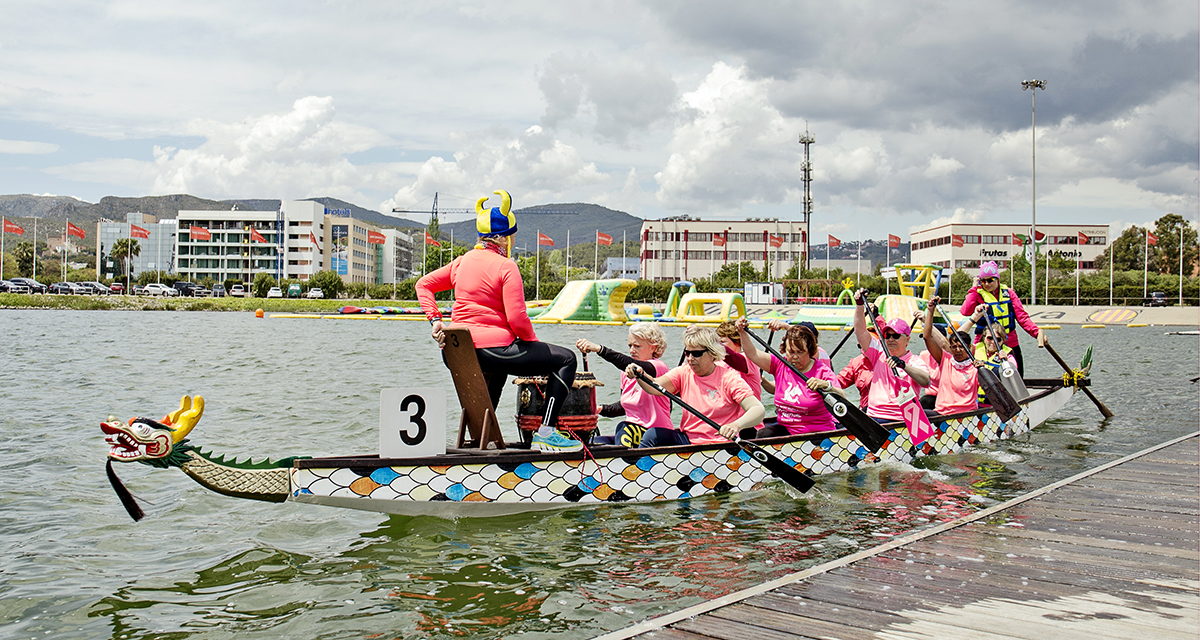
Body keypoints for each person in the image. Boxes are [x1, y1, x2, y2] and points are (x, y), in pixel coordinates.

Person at [417, 190, 581, 453]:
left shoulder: (461, 263)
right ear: (505, 237)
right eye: (513, 235)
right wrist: (533, 344)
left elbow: (423, 284)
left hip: (457, 351)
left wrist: (435, 320)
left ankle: (483, 439)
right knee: (565, 359)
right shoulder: (506, 266)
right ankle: (547, 433)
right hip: (493, 350)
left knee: (500, 370)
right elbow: (517, 318)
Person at [624, 325, 765, 448]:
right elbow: (654, 387)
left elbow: (757, 410)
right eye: (687, 353)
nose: (690, 358)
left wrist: (736, 425)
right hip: (688, 440)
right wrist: (640, 375)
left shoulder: (728, 378)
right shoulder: (684, 371)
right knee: (653, 435)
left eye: (696, 354)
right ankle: (638, 470)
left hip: (720, 443)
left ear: (712, 354)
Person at [735, 317, 842, 437]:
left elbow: (842, 397)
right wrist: (742, 332)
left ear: (810, 351)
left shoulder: (822, 371)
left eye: (800, 352)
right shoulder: (780, 364)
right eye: (791, 352)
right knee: (763, 434)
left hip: (817, 433)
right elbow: (752, 354)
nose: (795, 357)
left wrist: (827, 386)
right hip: (787, 429)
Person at [576, 322, 673, 447]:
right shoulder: (625, 373)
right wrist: (600, 409)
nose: (632, 350)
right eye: (630, 346)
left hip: (657, 434)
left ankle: (630, 462)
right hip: (632, 432)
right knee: (593, 442)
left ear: (653, 347)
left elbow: (628, 362)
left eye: (637, 346)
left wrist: (599, 349)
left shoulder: (658, 367)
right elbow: (624, 407)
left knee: (623, 427)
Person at [853, 289, 931, 423]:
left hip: (903, 419)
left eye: (895, 336)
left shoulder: (914, 361)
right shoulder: (878, 352)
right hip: (875, 417)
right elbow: (860, 331)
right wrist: (859, 305)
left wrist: (903, 365)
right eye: (887, 335)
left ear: (907, 340)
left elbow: (926, 381)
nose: (890, 339)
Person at [959, 260, 1048, 376]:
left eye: (990, 280)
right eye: (983, 281)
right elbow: (965, 311)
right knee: (980, 377)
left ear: (997, 279)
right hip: (985, 343)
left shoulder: (1009, 293)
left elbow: (1023, 317)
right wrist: (973, 288)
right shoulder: (976, 294)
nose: (987, 284)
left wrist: (1036, 333)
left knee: (1017, 376)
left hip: (1009, 342)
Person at [921, 297, 988, 415]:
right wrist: (930, 311)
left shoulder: (975, 368)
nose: (957, 350)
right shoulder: (945, 360)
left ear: (969, 348)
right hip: (942, 413)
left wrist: (984, 372)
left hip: (966, 415)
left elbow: (991, 390)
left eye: (961, 347)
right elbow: (927, 337)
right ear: (950, 348)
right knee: (916, 412)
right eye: (954, 347)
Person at [837, 323, 875, 410]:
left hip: (886, 411)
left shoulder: (886, 361)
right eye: (860, 346)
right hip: (865, 410)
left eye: (868, 345)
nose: (863, 349)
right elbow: (838, 381)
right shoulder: (856, 362)